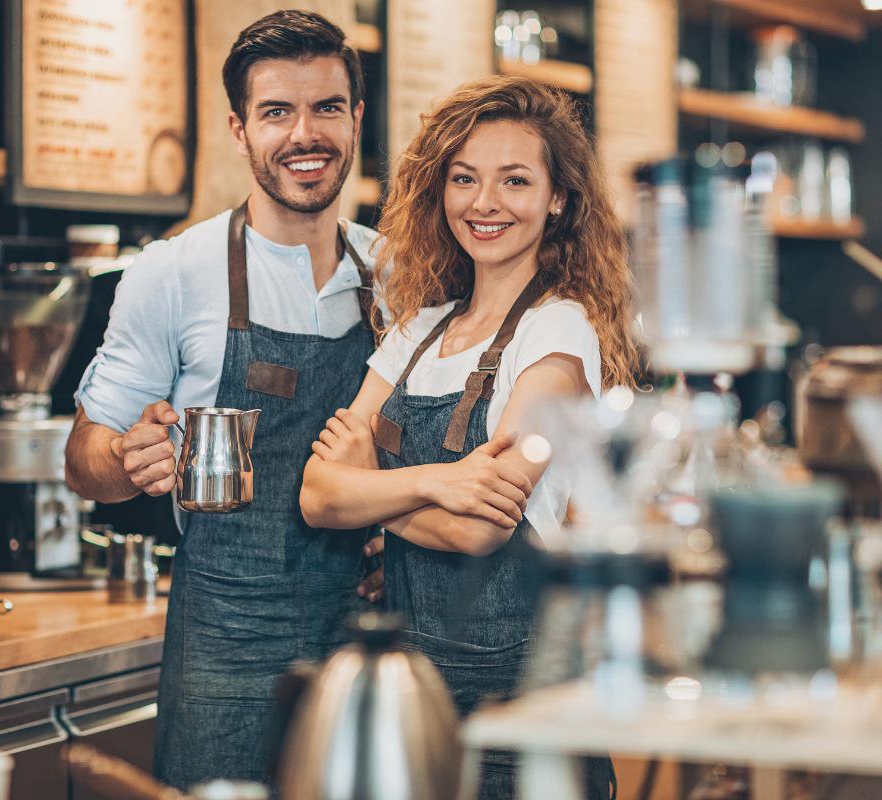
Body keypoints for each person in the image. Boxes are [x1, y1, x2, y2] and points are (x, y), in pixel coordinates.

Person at [64, 10, 480, 791]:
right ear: (239, 129)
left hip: (372, 640)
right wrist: (125, 456)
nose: (304, 134)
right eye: (276, 112)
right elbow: (83, 460)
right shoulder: (173, 272)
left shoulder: (400, 277)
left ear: (356, 119)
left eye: (326, 108)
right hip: (225, 644)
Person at [300, 76, 638, 798]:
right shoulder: (418, 331)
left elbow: (482, 528)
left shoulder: (558, 329)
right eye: (463, 178)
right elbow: (317, 498)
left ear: (558, 198)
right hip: (415, 699)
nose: (485, 203)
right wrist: (437, 481)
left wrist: (370, 491)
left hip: (521, 709)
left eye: (515, 180)